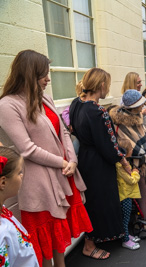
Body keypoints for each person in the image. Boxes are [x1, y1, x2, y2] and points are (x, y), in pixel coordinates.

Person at [0, 50, 92, 266]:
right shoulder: (7, 105)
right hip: (39, 182)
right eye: (44, 74)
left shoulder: (45, 98)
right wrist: (63, 162)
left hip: (63, 173)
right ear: (29, 74)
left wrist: (73, 161)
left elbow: (64, 133)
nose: (48, 79)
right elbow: (27, 149)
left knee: (59, 237)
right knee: (46, 240)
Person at [69, 68, 128, 260]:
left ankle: (91, 240)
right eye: (108, 85)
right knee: (99, 202)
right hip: (98, 163)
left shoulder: (76, 103)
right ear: (102, 86)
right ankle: (89, 244)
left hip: (85, 158)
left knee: (91, 201)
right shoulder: (98, 111)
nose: (108, 89)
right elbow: (109, 144)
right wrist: (122, 159)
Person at [109, 90, 146, 230]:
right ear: (133, 106)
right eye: (140, 105)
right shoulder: (121, 122)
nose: (142, 107)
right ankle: (142, 221)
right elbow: (130, 144)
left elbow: (145, 134)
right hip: (136, 164)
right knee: (141, 191)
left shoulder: (135, 116)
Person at [0, 147, 39, 267]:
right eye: (19, 172)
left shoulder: (3, 209)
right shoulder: (2, 234)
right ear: (3, 182)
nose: (21, 176)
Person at [115, 139, 141, 250]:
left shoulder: (124, 163)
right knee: (125, 219)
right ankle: (125, 241)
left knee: (126, 217)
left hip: (127, 194)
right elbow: (130, 180)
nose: (132, 151)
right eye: (130, 149)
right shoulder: (120, 166)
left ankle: (127, 236)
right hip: (124, 195)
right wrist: (136, 173)